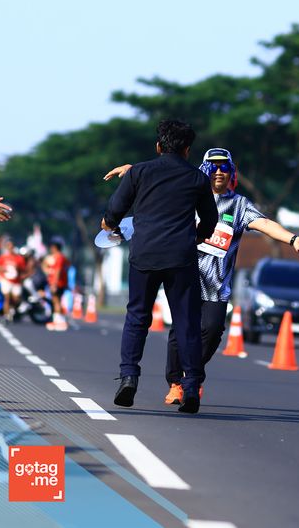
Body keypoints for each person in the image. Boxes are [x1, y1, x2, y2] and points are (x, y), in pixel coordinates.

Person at [105, 147, 299, 405]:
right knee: (180, 330)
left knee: (213, 330)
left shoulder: (238, 205)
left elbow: (264, 224)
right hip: (183, 276)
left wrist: (293, 239)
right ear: (204, 168)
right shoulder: (189, 192)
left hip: (216, 286)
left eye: (224, 167)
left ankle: (190, 375)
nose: (219, 172)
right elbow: (161, 177)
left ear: (232, 172)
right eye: (213, 166)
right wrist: (132, 170)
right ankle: (177, 383)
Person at [101, 119, 218, 414]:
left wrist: (109, 224)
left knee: (137, 317)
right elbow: (210, 220)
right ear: (187, 149)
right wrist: (196, 236)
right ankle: (190, 387)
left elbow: (114, 211)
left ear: (158, 146)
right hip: (181, 258)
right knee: (186, 322)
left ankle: (129, 377)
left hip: (145, 255)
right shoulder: (197, 179)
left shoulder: (139, 172)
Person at [43, 240, 70, 331]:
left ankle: (59, 321)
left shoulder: (59, 257)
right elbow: (45, 265)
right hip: (54, 282)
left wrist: (54, 284)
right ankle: (57, 320)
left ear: (55, 248)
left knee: (56, 301)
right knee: (55, 301)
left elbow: (58, 271)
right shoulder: (53, 257)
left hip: (58, 283)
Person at [0, 239, 26, 320]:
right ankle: (6, 315)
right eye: (9, 246)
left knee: (16, 298)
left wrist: (17, 268)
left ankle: (13, 310)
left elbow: (23, 269)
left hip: (16, 281)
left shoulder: (19, 258)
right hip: (6, 280)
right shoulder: (3, 257)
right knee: (7, 297)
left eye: (11, 246)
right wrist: (4, 269)